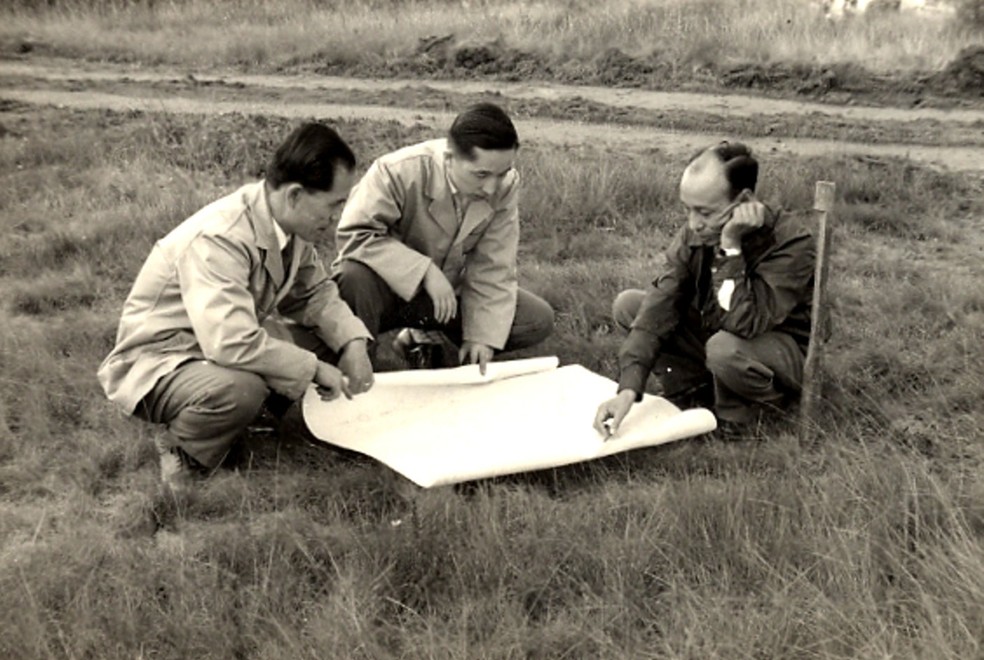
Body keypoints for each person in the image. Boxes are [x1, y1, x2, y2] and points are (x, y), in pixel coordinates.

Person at [98, 122, 374, 491]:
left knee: (325, 341)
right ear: (294, 195)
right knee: (240, 389)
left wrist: (353, 344)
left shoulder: (289, 224)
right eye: (334, 204)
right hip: (162, 361)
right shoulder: (220, 236)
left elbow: (315, 295)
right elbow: (230, 343)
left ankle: (246, 424)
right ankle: (183, 448)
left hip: (214, 349)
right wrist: (314, 368)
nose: (337, 216)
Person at [594, 141, 816, 437]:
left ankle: (751, 413)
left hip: (777, 352)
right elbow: (661, 305)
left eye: (705, 212)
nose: (693, 224)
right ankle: (693, 392)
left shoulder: (791, 243)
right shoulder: (696, 232)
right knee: (632, 306)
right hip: (721, 332)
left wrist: (730, 248)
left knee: (724, 348)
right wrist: (628, 389)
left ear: (744, 200)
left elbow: (744, 322)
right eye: (688, 210)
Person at [332, 102, 554, 374]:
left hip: (445, 294)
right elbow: (354, 234)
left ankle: (423, 340)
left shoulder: (504, 186)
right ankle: (359, 365)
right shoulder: (396, 170)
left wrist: (481, 336)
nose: (492, 187)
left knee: (536, 320)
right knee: (351, 276)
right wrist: (425, 271)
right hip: (383, 292)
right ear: (449, 158)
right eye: (481, 174)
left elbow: (494, 264)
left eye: (503, 173)